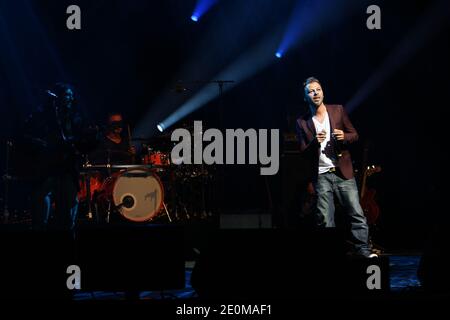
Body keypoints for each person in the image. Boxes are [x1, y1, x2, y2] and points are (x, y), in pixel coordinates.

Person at [296, 77, 377, 258]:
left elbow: (354, 134)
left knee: (356, 213)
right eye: (311, 91)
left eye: (318, 89)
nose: (315, 93)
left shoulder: (338, 110)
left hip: (343, 172)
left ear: (323, 92)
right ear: (305, 97)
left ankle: (363, 250)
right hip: (322, 175)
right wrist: (314, 143)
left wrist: (344, 137)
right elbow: (302, 151)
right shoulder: (302, 122)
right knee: (325, 219)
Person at [24, 82, 94, 230]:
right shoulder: (45, 115)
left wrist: (78, 144)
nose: (68, 98)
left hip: (67, 166)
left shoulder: (76, 117)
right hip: (47, 166)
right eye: (66, 95)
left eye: (71, 95)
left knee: (68, 207)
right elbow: (27, 134)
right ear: (58, 97)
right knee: (41, 198)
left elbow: (84, 140)